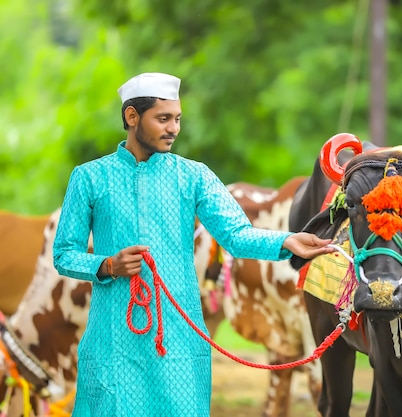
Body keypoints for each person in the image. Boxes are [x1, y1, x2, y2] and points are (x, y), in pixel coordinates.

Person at [52, 72, 335, 417]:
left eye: (177, 119)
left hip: (178, 340)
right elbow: (64, 254)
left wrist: (288, 240)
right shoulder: (90, 177)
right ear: (131, 117)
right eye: (163, 118)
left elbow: (237, 236)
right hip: (112, 341)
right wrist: (107, 265)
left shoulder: (194, 176)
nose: (174, 128)